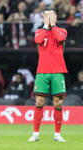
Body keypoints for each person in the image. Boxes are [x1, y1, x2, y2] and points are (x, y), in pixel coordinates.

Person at [28, 7, 68, 142]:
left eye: (51, 15)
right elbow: (38, 41)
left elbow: (59, 38)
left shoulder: (62, 31)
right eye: (46, 15)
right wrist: (46, 26)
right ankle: (35, 134)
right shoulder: (39, 31)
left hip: (58, 71)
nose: (49, 18)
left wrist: (53, 25)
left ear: (56, 16)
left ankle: (57, 134)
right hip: (42, 71)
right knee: (39, 101)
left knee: (58, 103)